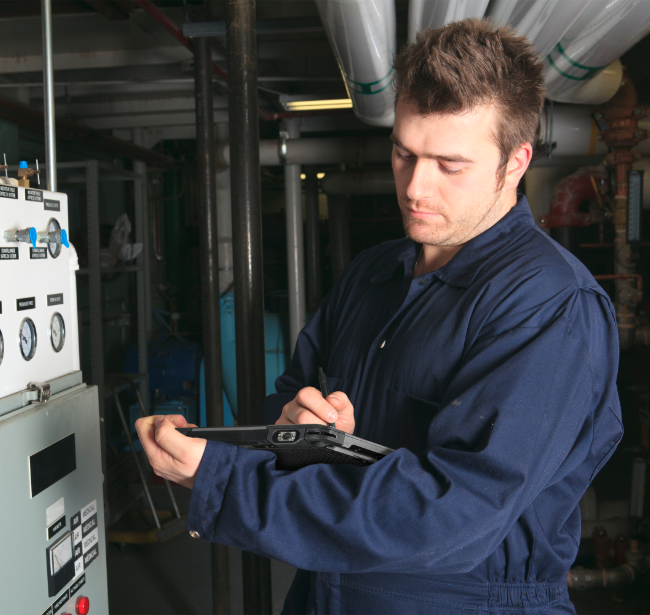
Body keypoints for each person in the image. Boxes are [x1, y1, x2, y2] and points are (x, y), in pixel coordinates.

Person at [137, 18, 623, 615]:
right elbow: (290, 401)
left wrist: (225, 481)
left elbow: (450, 513)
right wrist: (300, 429)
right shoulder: (373, 273)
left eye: (449, 164)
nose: (416, 187)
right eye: (403, 153)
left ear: (515, 162)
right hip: (329, 590)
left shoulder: (549, 305)